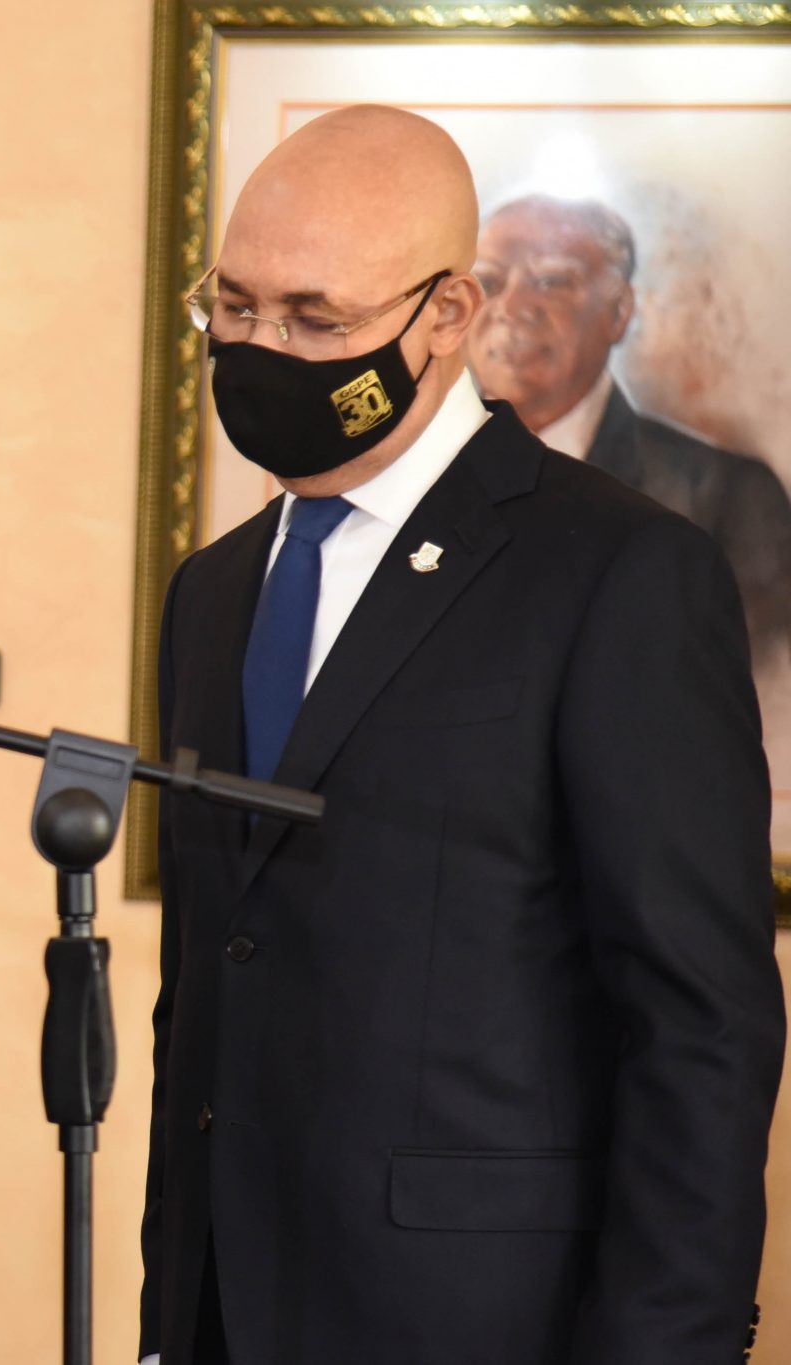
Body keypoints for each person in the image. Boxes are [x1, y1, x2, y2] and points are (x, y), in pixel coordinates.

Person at [142, 107, 783, 1365]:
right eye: (231, 309)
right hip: (226, 1313)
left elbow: (697, 1024)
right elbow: (218, 975)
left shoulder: (618, 573)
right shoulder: (210, 592)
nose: (261, 350)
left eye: (314, 320)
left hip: (488, 1324)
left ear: (446, 315)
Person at [468, 194, 791, 663]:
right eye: (488, 282)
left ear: (618, 311)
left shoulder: (729, 496)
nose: (512, 308)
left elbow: (766, 689)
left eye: (552, 281)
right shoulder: (416, 474)